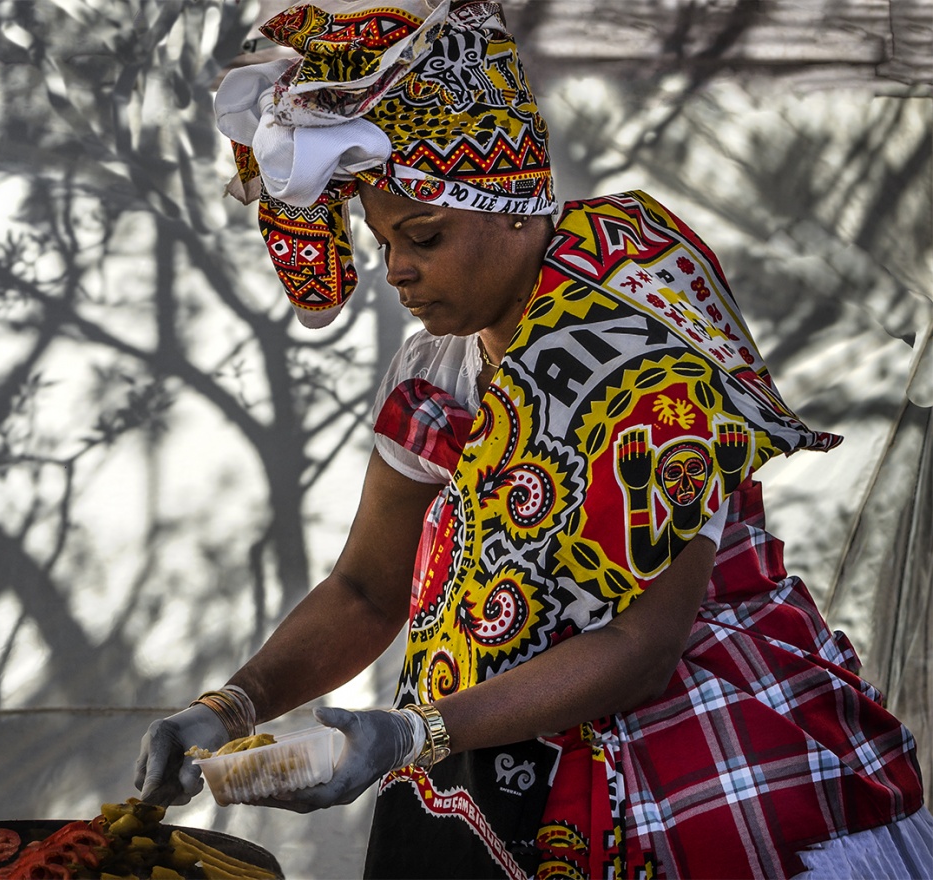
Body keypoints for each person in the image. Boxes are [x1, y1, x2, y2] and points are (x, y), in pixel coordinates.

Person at [136, 2, 933, 877]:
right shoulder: (437, 371)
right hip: (489, 741)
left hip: (691, 761)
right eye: (383, 240)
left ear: (513, 207)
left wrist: (418, 732)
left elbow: (640, 648)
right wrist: (232, 705)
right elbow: (368, 588)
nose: (397, 269)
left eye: (423, 237)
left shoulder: (649, 355)